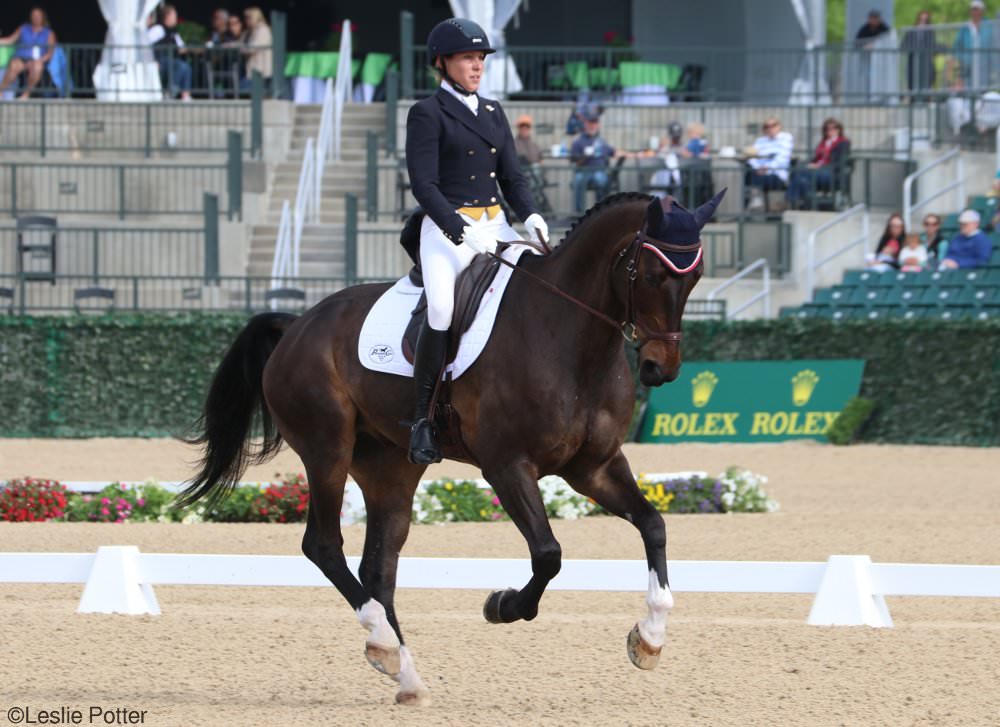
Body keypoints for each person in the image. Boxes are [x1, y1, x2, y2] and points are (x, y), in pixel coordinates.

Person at [404, 18, 549, 464]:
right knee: (444, 307)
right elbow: (423, 185)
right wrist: (457, 228)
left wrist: (531, 215)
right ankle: (423, 420)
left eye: (481, 58)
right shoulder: (426, 113)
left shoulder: (492, 112)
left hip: (495, 224)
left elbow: (512, 175)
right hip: (448, 227)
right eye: (468, 57)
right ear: (442, 63)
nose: (477, 66)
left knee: (540, 287)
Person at [569, 104, 628, 214]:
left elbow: (614, 152)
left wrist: (635, 154)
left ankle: (600, 213)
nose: (592, 125)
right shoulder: (578, 141)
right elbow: (573, 159)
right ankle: (578, 213)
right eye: (590, 123)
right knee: (578, 180)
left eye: (595, 123)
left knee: (601, 179)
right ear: (585, 124)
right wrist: (584, 158)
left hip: (599, 170)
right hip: (583, 170)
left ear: (598, 125)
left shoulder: (602, 141)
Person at [786, 118, 850, 210]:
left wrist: (819, 166)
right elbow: (816, 158)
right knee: (801, 178)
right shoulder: (823, 143)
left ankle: (790, 200)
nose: (830, 131)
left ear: (839, 129)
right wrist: (809, 164)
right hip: (818, 171)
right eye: (827, 129)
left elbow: (839, 162)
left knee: (801, 173)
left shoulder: (843, 143)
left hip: (831, 173)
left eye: (834, 128)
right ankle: (806, 202)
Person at [0, 6, 57, 100]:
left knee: (37, 67)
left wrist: (40, 60)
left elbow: (50, 53)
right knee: (14, 66)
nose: (36, 18)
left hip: (37, 60)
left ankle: (25, 95)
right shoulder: (23, 28)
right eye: (34, 16)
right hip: (21, 58)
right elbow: (10, 40)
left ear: (43, 17)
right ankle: (0, 90)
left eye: (38, 16)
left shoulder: (49, 33)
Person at [744, 116, 793, 210]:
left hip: (776, 175)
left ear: (779, 126)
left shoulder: (786, 138)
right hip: (759, 172)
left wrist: (767, 167)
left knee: (752, 176)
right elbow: (752, 158)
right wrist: (758, 167)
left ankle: (755, 199)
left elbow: (783, 157)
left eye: (773, 125)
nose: (770, 128)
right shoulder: (760, 141)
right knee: (746, 172)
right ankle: (746, 206)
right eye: (767, 126)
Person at [148, 4, 192, 101]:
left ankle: (185, 95)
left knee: (186, 66)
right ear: (167, 16)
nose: (175, 18)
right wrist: (154, 60)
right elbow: (147, 44)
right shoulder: (158, 29)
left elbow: (182, 47)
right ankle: (169, 92)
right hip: (160, 61)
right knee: (181, 66)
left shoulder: (173, 32)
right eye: (174, 16)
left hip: (171, 60)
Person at [952, 1, 994, 91]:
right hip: (968, 66)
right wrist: (962, 59)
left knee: (984, 90)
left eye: (976, 9)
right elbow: (957, 46)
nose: (974, 12)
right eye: (972, 9)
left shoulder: (990, 26)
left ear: (982, 11)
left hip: (985, 65)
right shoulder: (965, 27)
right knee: (968, 90)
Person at [901, 11, 938, 100]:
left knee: (926, 86)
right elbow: (903, 45)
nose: (923, 23)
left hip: (926, 65)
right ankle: (913, 102)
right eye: (921, 20)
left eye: (925, 21)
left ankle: (925, 101)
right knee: (912, 87)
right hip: (913, 64)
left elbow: (932, 46)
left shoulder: (930, 33)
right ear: (917, 20)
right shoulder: (911, 32)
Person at [241, 7, 273, 91]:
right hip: (251, 70)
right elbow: (240, 43)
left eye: (248, 17)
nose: (246, 20)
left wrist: (240, 49)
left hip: (260, 70)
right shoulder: (248, 31)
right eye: (245, 17)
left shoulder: (263, 30)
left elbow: (253, 48)